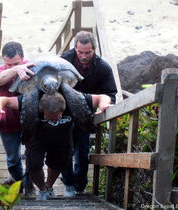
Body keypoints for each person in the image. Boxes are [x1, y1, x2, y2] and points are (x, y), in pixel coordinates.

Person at [0, 91, 112, 200]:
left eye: (57, 117)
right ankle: (42, 189)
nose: (53, 121)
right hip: (37, 138)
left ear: (63, 110)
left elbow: (102, 97)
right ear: (42, 110)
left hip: (62, 138)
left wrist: (103, 104)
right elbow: (4, 99)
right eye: (48, 118)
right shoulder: (31, 100)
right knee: (33, 164)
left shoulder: (74, 98)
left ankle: (48, 187)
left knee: (58, 163)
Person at [60, 31, 118, 196]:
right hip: (64, 110)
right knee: (64, 148)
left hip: (86, 113)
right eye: (80, 52)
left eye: (88, 52)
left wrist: (104, 104)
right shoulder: (64, 60)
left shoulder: (103, 67)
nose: (84, 56)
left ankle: (80, 186)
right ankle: (68, 182)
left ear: (94, 50)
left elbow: (111, 93)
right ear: (75, 49)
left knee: (83, 150)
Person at [0, 41, 35, 189]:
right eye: (8, 64)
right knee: (13, 159)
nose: (11, 67)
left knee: (33, 156)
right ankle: (20, 183)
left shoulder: (32, 68)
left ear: (23, 57)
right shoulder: (1, 72)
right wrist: (17, 68)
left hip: (30, 122)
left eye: (16, 63)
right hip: (7, 123)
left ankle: (29, 184)